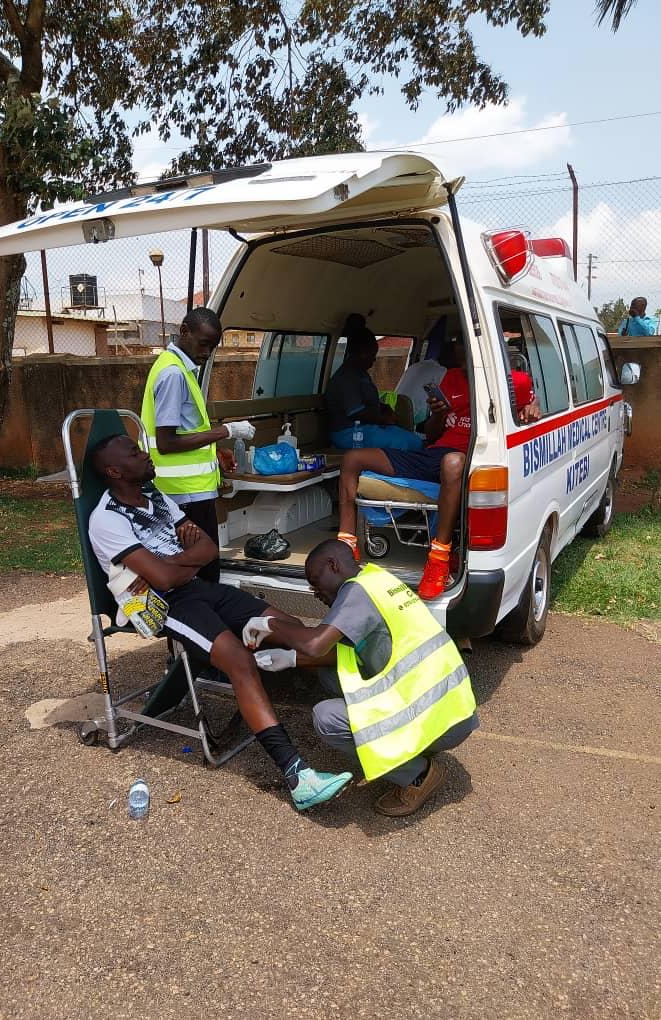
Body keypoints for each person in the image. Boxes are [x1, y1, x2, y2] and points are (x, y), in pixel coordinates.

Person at [87, 432, 353, 812]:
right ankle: (298, 777)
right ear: (114, 471)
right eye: (134, 452)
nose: (146, 455)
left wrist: (172, 562)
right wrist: (179, 560)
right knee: (239, 661)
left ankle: (348, 686)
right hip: (164, 605)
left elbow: (207, 550)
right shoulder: (107, 520)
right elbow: (161, 583)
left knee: (290, 626)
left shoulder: (155, 498)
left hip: (195, 587)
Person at [243, 540, 479, 817]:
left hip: (435, 718)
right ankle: (414, 748)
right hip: (451, 710)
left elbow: (316, 644)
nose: (315, 592)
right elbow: (339, 654)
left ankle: (419, 775)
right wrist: (292, 659)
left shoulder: (356, 592)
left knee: (326, 718)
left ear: (333, 565)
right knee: (331, 678)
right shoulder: (377, 580)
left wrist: (269, 624)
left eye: (316, 581)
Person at [336, 337, 540, 600]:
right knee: (352, 458)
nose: (463, 354)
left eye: (468, 348)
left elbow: (535, 409)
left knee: (452, 463)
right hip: (434, 454)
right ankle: (347, 545)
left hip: (472, 459)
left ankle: (439, 556)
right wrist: (439, 415)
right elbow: (432, 436)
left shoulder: (514, 382)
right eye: (460, 348)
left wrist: (532, 408)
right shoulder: (451, 379)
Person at [140, 307, 256, 583]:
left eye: (212, 347)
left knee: (199, 567)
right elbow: (167, 442)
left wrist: (215, 451)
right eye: (204, 344)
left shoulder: (181, 368)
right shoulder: (173, 375)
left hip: (190, 491)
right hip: (183, 494)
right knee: (202, 569)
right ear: (184, 331)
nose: (207, 353)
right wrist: (226, 431)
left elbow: (189, 429)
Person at [325, 317, 424, 453]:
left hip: (367, 428)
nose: (374, 359)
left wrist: (384, 408)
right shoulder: (346, 378)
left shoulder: (361, 374)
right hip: (349, 432)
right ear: (362, 354)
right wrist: (384, 418)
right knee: (407, 443)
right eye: (372, 355)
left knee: (413, 440)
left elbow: (369, 402)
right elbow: (357, 412)